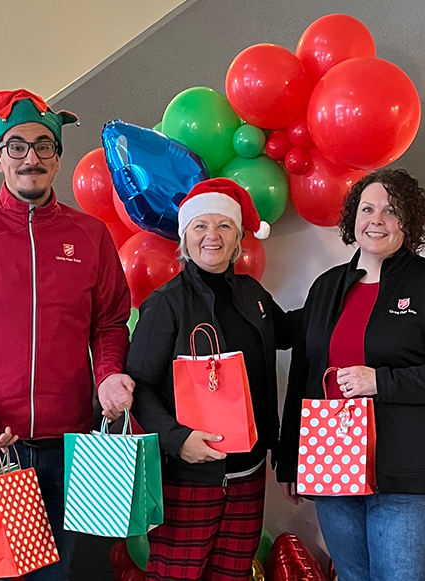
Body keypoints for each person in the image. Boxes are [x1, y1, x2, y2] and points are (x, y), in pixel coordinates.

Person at [0, 89, 134, 580]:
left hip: (77, 448)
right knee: (5, 575)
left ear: (57, 159)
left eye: (43, 146)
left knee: (71, 574)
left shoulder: (90, 235)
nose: (30, 158)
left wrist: (108, 376)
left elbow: (109, 322)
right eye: (16, 146)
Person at [278, 169, 425, 581]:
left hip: (412, 473)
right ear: (352, 219)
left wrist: (382, 381)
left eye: (391, 211)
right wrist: (292, 461)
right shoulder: (327, 287)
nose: (376, 220)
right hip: (335, 465)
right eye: (367, 208)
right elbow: (305, 373)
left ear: (407, 223)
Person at [127, 178, 291, 581]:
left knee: (233, 577)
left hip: (248, 475)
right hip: (187, 479)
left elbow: (291, 331)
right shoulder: (165, 304)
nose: (212, 236)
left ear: (238, 239)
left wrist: (341, 291)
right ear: (185, 237)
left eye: (224, 226)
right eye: (200, 226)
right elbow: (138, 386)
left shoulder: (253, 294)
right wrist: (177, 439)